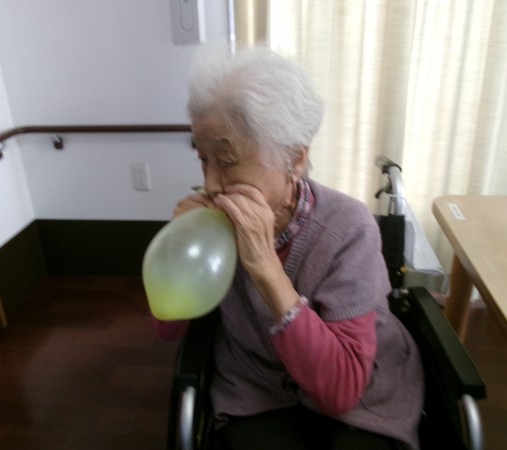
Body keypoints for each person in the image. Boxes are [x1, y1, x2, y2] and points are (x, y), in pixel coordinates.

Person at [152, 46, 424, 450]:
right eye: (203, 159)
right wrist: (178, 252)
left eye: (226, 161)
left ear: (295, 160)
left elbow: (341, 390)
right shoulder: (212, 226)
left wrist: (265, 267)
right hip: (256, 389)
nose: (210, 184)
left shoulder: (348, 229)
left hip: (360, 400)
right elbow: (167, 326)